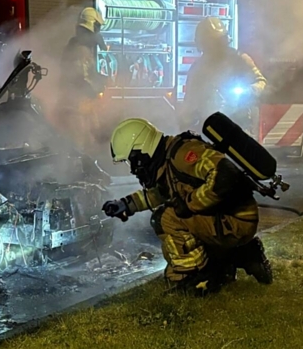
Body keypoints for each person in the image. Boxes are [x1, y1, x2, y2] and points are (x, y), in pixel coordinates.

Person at [101, 118, 273, 293]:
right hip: (227, 218)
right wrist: (125, 204)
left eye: (131, 160)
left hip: (236, 220)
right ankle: (243, 254)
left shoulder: (183, 153)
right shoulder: (167, 159)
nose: (133, 169)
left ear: (142, 149)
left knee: (166, 218)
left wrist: (190, 204)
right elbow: (159, 194)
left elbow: (225, 174)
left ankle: (193, 276)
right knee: (173, 232)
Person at [178, 17, 266, 131]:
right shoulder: (197, 68)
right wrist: (185, 123)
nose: (213, 48)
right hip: (209, 128)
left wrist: (245, 94)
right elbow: (190, 101)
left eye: (216, 43)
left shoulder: (240, 59)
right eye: (209, 43)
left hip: (239, 125)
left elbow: (261, 81)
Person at [58, 6, 109, 154]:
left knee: (91, 138)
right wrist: (97, 87)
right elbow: (79, 78)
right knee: (81, 144)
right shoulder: (79, 50)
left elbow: (88, 73)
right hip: (76, 107)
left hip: (82, 106)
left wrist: (100, 79)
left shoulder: (80, 47)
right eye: (97, 27)